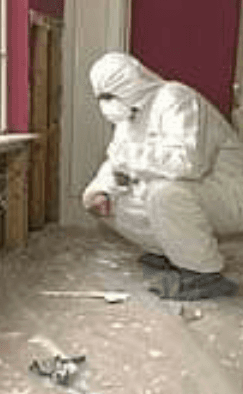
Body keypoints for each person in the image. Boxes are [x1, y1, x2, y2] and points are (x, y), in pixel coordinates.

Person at [83, 52, 243, 300]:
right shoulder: (130, 115)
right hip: (195, 194)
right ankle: (173, 252)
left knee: (163, 194)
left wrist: (129, 158)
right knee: (108, 201)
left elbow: (187, 164)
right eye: (100, 97)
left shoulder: (176, 99)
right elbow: (115, 161)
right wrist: (100, 189)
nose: (105, 104)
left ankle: (204, 274)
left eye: (109, 96)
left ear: (128, 86)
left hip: (229, 192)